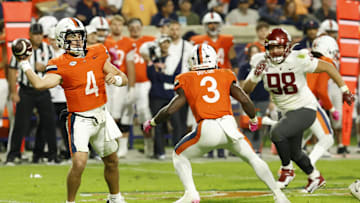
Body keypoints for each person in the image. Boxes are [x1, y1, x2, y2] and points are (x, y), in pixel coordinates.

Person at [142, 43, 290, 203]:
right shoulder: (225, 74)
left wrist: (153, 122)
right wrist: (254, 119)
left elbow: (171, 109)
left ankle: (191, 194)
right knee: (254, 159)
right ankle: (279, 195)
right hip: (229, 126)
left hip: (207, 128)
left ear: (192, 62)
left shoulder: (186, 78)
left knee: (179, 155)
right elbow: (244, 99)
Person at [13, 17, 128, 203]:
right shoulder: (60, 63)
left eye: (79, 36)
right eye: (71, 37)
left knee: (112, 161)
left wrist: (116, 79)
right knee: (79, 163)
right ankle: (70, 201)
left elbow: (123, 77)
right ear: (61, 39)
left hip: (101, 115)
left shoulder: (97, 51)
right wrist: (25, 64)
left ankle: (115, 197)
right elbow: (40, 84)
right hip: (80, 119)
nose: (77, 40)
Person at [243, 28, 355, 192]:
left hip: (305, 108)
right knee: (296, 153)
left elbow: (328, 67)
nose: (275, 51)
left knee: (276, 133)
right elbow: (247, 89)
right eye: (272, 47)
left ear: (287, 47)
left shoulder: (298, 58)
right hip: (286, 111)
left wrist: (345, 90)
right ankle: (315, 177)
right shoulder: (261, 62)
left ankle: (287, 170)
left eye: (279, 47)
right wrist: (255, 75)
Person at [6, 23, 59, 165]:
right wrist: (13, 91)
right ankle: (13, 155)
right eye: (35, 34)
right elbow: (12, 69)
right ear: (29, 34)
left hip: (43, 91)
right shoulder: (21, 47)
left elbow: (56, 68)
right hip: (26, 90)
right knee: (21, 124)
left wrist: (45, 67)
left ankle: (51, 155)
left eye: (40, 34)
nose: (38, 37)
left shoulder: (48, 49)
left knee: (49, 123)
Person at [104, 15, 135, 158]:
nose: (117, 27)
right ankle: (112, 145)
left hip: (121, 81)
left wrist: (132, 86)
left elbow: (130, 65)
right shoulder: (105, 41)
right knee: (109, 115)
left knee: (123, 114)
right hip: (107, 81)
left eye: (120, 24)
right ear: (111, 25)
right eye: (115, 24)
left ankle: (122, 146)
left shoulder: (128, 42)